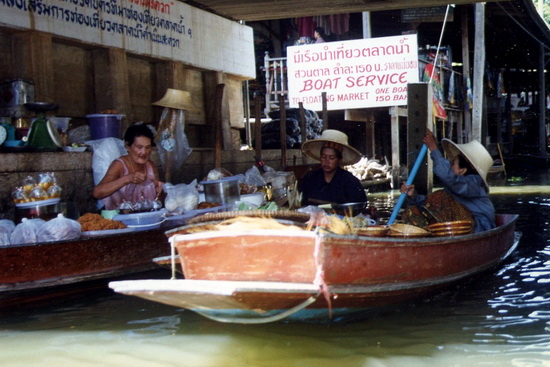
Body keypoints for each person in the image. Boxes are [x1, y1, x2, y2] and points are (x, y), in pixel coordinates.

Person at [400, 129, 495, 233]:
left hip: (479, 228)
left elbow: (447, 176)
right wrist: (413, 196)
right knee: (416, 209)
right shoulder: (455, 189)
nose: (450, 166)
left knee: (441, 196)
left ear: (462, 170)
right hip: (461, 229)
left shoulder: (473, 184)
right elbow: (430, 204)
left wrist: (433, 148)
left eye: (453, 163)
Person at [93, 123, 164, 210]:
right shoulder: (119, 165)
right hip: (118, 217)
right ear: (127, 147)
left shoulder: (151, 166)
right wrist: (127, 179)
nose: (144, 152)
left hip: (143, 216)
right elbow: (97, 193)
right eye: (139, 147)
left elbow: (158, 200)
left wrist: (161, 191)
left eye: (148, 147)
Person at [300, 129, 367, 206]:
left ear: (339, 159)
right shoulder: (310, 179)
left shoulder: (350, 182)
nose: (326, 161)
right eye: (324, 157)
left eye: (331, 158)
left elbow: (359, 206)